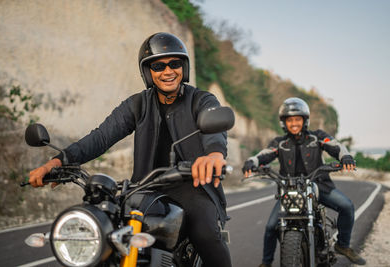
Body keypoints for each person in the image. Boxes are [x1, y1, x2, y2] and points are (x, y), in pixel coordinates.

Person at [29, 32, 232, 267]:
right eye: (158, 66)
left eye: (174, 64)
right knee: (105, 235)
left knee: (206, 234)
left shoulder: (201, 100)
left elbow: (213, 129)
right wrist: (57, 162)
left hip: (193, 185)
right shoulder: (137, 104)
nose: (168, 72)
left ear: (183, 67)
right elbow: (100, 137)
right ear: (148, 72)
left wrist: (214, 154)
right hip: (144, 188)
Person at [242, 97, 366, 267]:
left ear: (304, 120)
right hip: (289, 190)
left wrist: (345, 157)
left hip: (319, 186)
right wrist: (252, 162)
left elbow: (335, 145)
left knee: (347, 206)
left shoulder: (317, 137)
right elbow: (264, 154)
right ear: (284, 123)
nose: (294, 123)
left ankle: (343, 245)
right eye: (290, 120)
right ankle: (266, 263)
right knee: (271, 227)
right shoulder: (280, 143)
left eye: (297, 119)